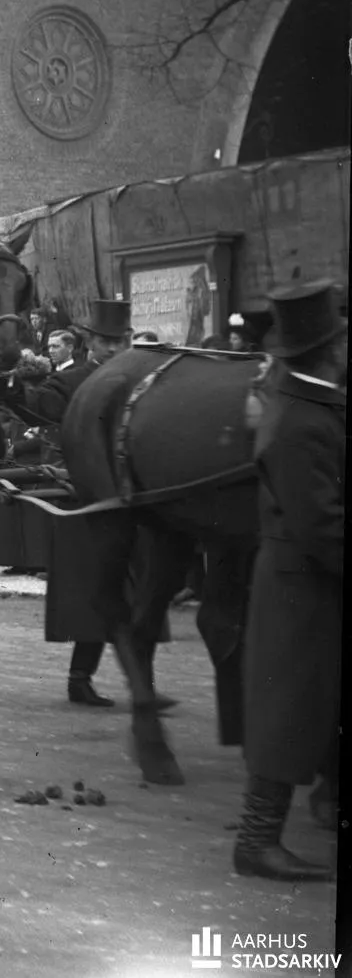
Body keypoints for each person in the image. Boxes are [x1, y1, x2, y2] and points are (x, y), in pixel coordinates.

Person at [234, 279, 344, 882]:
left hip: (304, 579)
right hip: (301, 585)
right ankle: (256, 842)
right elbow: (320, 525)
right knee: (287, 708)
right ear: (327, 348)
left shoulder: (306, 401)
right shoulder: (301, 419)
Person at [0, 296, 130, 707]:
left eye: (119, 340)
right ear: (90, 342)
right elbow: (37, 407)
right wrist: (7, 381)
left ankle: (131, 679)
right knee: (92, 591)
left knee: (134, 592)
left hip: (134, 500)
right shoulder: (73, 382)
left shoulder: (138, 379)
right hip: (86, 500)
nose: (112, 348)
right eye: (105, 341)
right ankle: (80, 678)